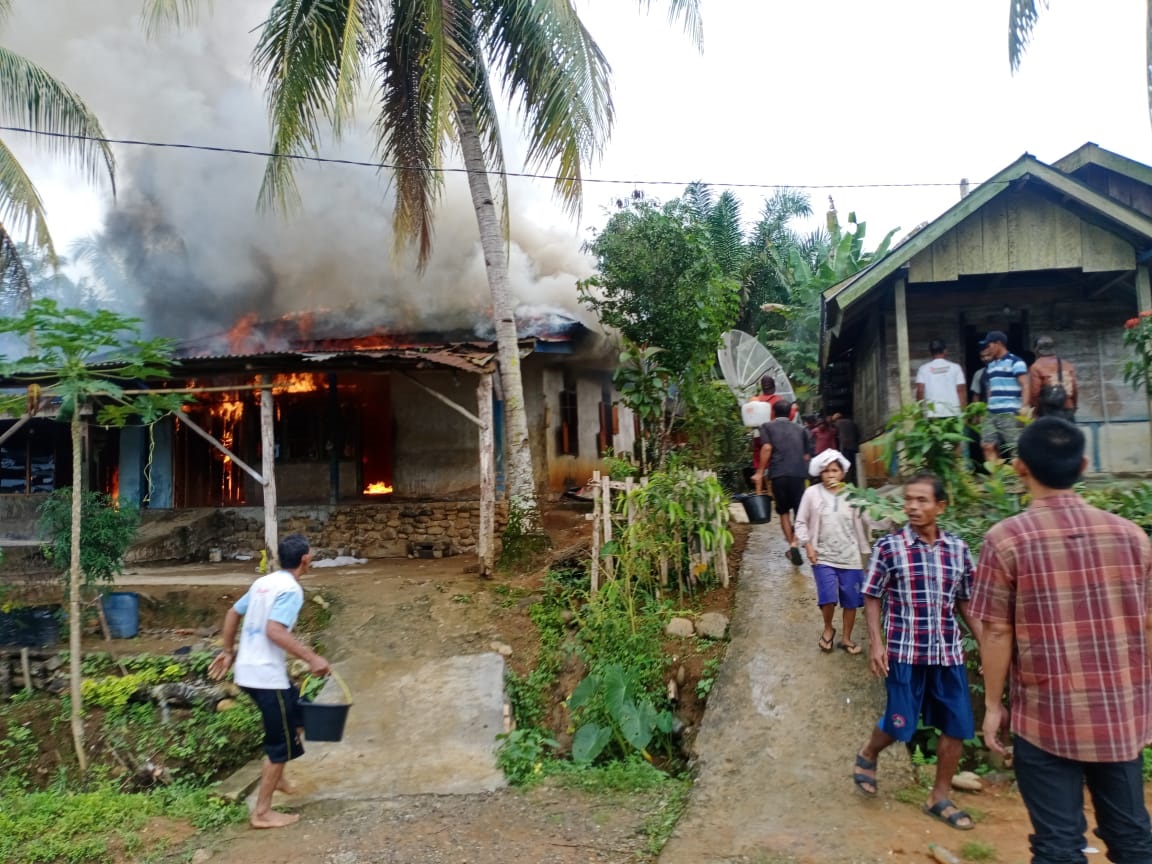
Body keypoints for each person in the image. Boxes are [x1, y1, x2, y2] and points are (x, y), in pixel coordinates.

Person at [970, 418, 1152, 863]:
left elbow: (997, 630)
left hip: (1045, 715)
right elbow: (1147, 625)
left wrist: (993, 705)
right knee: (1132, 838)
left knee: (1058, 845)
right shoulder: (1133, 537)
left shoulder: (1006, 541)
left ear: (1019, 468)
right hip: (1119, 713)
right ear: (1084, 465)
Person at [851, 474, 980, 832]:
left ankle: (939, 797)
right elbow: (872, 594)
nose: (912, 506)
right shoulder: (890, 548)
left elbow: (966, 601)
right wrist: (876, 643)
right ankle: (869, 752)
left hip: (947, 652)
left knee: (956, 725)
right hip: (904, 651)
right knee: (900, 723)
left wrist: (987, 645)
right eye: (909, 499)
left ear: (940, 507)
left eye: (922, 500)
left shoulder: (958, 550)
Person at [208, 534, 332, 829]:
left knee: (299, 715)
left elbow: (233, 612)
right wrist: (313, 658)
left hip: (251, 673)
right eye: (311, 554)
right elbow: (274, 631)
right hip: (265, 678)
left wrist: (228, 651)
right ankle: (262, 812)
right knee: (281, 744)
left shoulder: (263, 583)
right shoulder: (291, 589)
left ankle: (279, 779)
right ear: (305, 560)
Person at [793, 449, 873, 654]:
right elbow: (800, 522)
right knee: (827, 597)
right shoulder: (812, 493)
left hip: (850, 557)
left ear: (842, 473)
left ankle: (846, 639)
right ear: (820, 473)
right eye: (826, 471)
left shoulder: (853, 495)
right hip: (822, 556)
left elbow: (871, 518)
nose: (830, 475)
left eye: (834, 470)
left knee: (851, 600)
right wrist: (808, 545)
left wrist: (892, 515)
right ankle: (828, 628)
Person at [755, 399, 813, 566]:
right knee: (800, 512)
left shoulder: (767, 427)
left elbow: (767, 448)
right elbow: (806, 456)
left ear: (773, 412)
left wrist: (760, 472)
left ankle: (791, 545)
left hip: (779, 474)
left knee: (783, 512)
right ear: (790, 414)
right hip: (799, 474)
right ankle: (795, 543)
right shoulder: (801, 429)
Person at [979, 330, 1030, 464]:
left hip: (1010, 412)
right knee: (987, 445)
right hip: (992, 412)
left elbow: (1025, 385)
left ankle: (1019, 476)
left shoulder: (1016, 362)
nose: (987, 349)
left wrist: (1024, 407)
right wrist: (986, 409)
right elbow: (990, 389)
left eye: (989, 345)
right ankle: (996, 476)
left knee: (1014, 448)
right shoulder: (990, 366)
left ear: (998, 343)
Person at [1027, 335, 1077, 421]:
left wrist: (1034, 411)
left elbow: (1034, 393)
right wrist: (1074, 406)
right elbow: (1074, 389)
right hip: (1068, 409)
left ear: (1036, 350)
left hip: (1047, 411)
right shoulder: (1067, 365)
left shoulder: (1036, 367)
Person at [914, 339, 967, 417]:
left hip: (932, 413)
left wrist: (920, 412)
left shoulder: (923, 369)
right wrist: (964, 412)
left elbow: (920, 390)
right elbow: (961, 390)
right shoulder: (956, 367)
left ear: (930, 352)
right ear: (945, 351)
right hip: (953, 412)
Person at [830, 412, 860, 483]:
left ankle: (848, 481)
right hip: (854, 446)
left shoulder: (836, 424)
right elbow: (857, 434)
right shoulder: (851, 422)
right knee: (854, 465)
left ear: (835, 419)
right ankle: (855, 480)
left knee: (845, 465)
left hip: (845, 447)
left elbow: (834, 435)